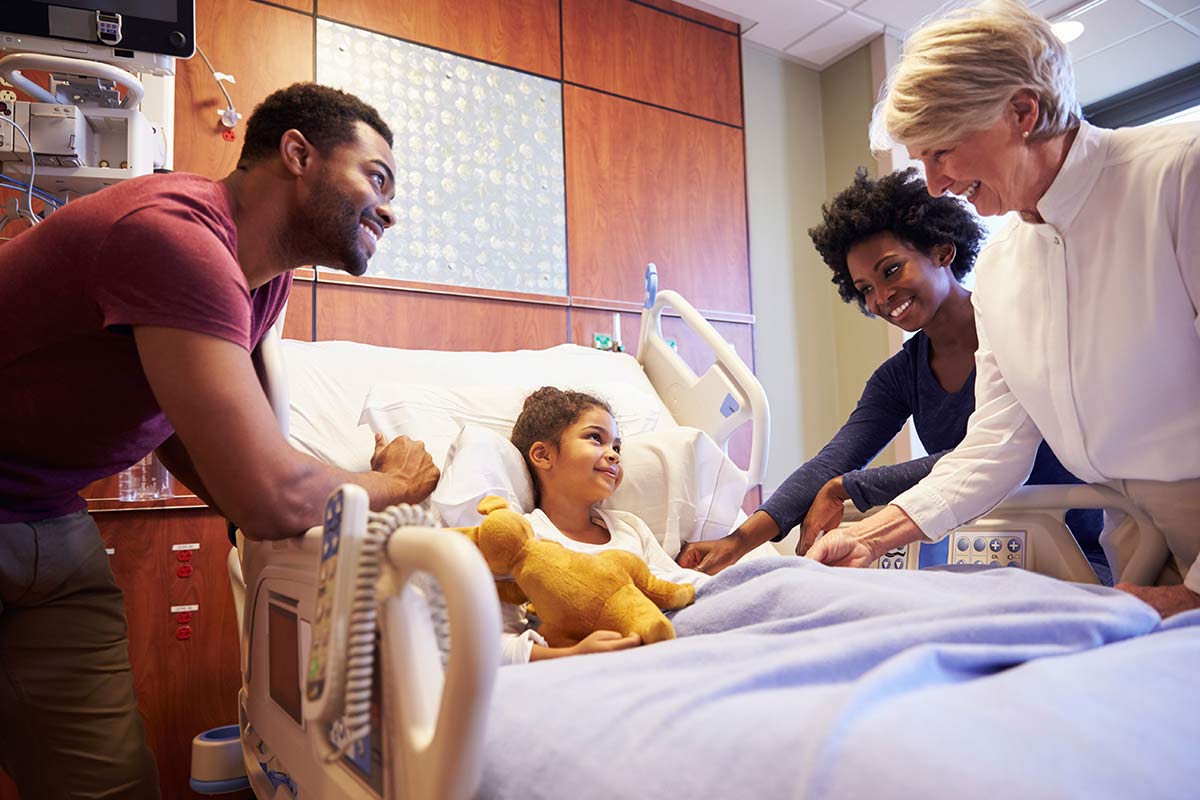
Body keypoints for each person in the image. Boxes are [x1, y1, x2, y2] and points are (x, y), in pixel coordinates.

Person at [0, 83, 440, 798]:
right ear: (298, 153)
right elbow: (271, 491)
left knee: (111, 786)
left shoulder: (264, 284)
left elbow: (209, 438)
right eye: (377, 177)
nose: (390, 208)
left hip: (48, 516)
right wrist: (396, 482)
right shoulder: (172, 236)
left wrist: (261, 507)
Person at [806, 0, 1200, 619]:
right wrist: (869, 535)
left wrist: (1193, 592)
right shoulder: (999, 265)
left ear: (1022, 111)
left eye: (942, 152)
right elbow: (995, 444)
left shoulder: (1179, 176)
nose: (934, 185)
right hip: (1135, 534)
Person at [678, 168, 1102, 578]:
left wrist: (848, 487)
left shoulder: (1018, 329)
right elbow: (833, 460)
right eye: (864, 289)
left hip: (1085, 553)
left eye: (891, 270)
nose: (881, 298)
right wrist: (738, 542)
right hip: (987, 555)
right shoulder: (900, 376)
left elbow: (985, 455)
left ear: (942, 251)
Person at [501, 387, 707, 665]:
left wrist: (727, 586)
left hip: (669, 640)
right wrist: (574, 655)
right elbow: (492, 644)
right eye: (595, 438)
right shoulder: (523, 539)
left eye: (617, 447)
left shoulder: (629, 528)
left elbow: (673, 586)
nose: (614, 455)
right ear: (543, 455)